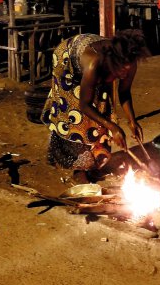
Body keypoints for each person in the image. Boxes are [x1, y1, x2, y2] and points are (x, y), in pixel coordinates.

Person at [42, 30, 150, 183]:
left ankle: (94, 161)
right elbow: (84, 105)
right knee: (76, 115)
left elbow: (124, 92)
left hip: (93, 66)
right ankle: (78, 169)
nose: (126, 74)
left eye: (128, 69)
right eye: (122, 70)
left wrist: (132, 121)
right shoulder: (94, 63)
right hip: (67, 60)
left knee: (102, 107)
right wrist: (112, 127)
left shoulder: (129, 62)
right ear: (113, 63)